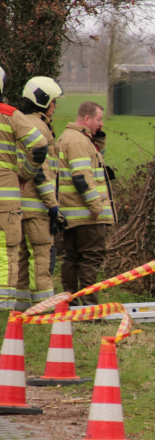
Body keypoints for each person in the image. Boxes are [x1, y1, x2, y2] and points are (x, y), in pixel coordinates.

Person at [56, 102, 115, 306]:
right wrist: (96, 207)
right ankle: (89, 308)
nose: (102, 123)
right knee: (91, 258)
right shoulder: (78, 141)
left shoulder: (72, 137)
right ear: (87, 119)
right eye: (99, 119)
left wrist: (98, 140)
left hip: (72, 213)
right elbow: (81, 177)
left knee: (71, 258)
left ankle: (69, 304)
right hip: (87, 214)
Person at [0, 66, 49, 309]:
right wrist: (24, 175)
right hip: (5, 202)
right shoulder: (9, 115)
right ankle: (4, 313)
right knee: (7, 256)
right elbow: (39, 147)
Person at [15, 77, 65, 310]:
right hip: (37, 207)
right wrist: (53, 205)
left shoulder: (19, 121)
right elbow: (41, 172)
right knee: (41, 259)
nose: (55, 106)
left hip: (17, 206)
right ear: (43, 101)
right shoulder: (39, 127)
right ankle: (44, 308)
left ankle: (22, 309)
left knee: (22, 259)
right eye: (54, 102)